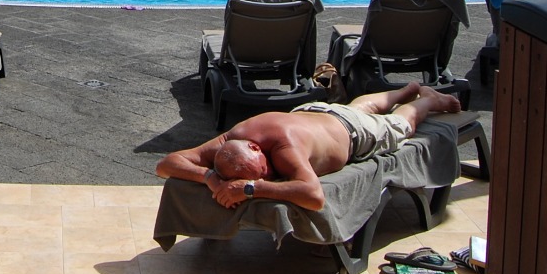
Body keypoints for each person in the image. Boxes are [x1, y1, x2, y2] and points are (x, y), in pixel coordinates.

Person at [155, 82, 462, 211]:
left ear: (257, 148)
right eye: (258, 176)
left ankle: (427, 100)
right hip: (317, 113)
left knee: (399, 125)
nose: (267, 175)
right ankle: (403, 90)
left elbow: (314, 196)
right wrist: (209, 177)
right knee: (360, 107)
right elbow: (166, 164)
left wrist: (251, 188)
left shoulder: (284, 149)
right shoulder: (233, 139)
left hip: (353, 133)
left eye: (262, 171)